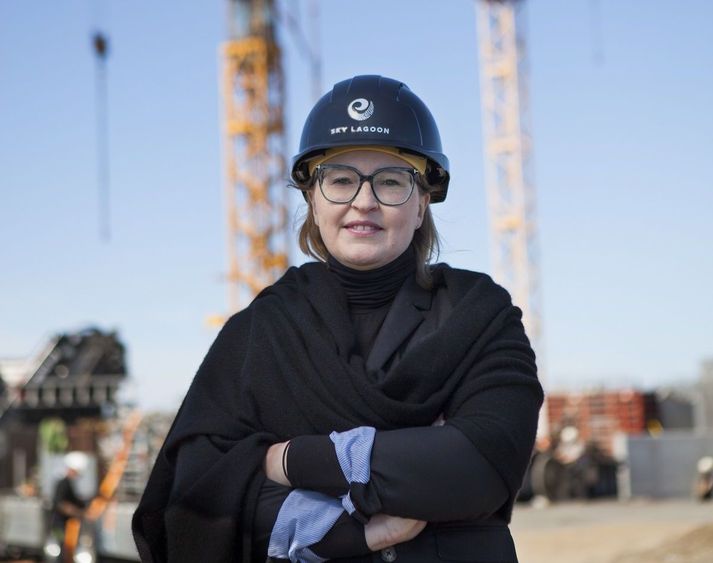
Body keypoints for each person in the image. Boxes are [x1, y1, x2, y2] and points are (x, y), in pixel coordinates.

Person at [132, 75, 543, 562]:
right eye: (341, 179)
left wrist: (288, 459)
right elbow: (196, 498)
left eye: (391, 180)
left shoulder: (477, 313)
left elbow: (481, 467)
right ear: (312, 199)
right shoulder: (261, 331)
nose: (364, 201)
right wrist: (349, 532)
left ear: (422, 204)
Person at [51, 452, 88, 561]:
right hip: (60, 525)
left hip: (65, 525)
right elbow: (61, 504)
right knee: (63, 551)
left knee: (67, 552)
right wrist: (79, 513)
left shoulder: (69, 483)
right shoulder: (63, 483)